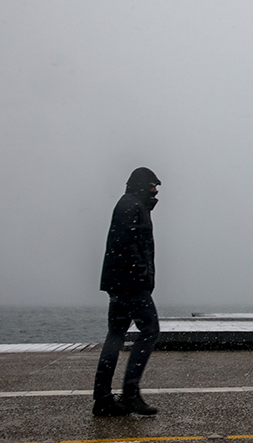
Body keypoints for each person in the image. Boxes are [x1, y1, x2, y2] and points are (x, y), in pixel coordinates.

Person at [92, 167, 162, 416]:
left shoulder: (131, 205)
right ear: (143, 185)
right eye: (154, 185)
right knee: (150, 330)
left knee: (116, 335)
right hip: (130, 284)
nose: (156, 191)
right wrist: (142, 275)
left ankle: (103, 399)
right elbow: (126, 245)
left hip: (121, 283)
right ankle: (130, 394)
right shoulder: (131, 207)